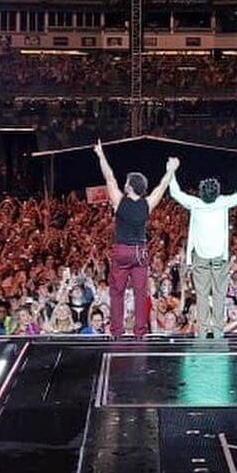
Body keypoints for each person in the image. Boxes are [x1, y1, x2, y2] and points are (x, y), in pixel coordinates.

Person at [93, 142, 178, 339]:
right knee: (141, 293)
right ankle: (140, 333)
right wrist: (171, 170)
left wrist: (100, 155)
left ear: (130, 186)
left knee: (117, 292)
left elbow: (109, 177)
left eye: (127, 181)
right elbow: (162, 186)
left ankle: (116, 332)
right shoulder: (147, 203)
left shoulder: (119, 201)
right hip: (140, 251)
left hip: (122, 250)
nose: (124, 183)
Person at [168, 163, 237, 338]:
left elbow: (175, 193)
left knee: (201, 295)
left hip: (201, 257)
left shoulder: (195, 203)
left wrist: (171, 171)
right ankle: (217, 331)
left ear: (201, 192)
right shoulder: (222, 202)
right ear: (217, 192)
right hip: (218, 257)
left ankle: (202, 331)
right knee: (219, 295)